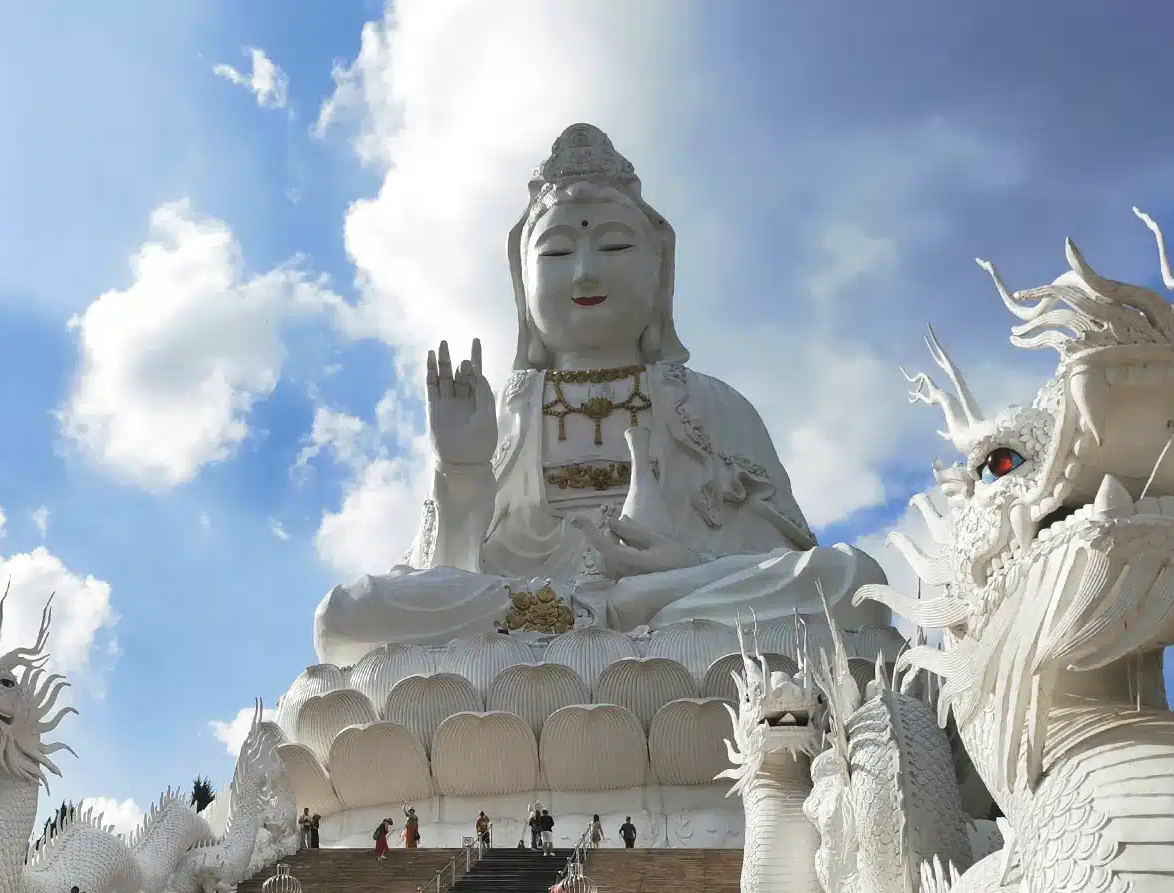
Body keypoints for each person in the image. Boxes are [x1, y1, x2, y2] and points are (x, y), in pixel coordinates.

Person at [311, 123, 895, 667]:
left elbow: (771, 555)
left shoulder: (710, 403)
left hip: (670, 604)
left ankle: (616, 610)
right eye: (558, 253)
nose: (585, 274)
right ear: (524, 281)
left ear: (659, 271)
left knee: (848, 578)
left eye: (614, 248)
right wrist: (461, 471)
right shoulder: (511, 408)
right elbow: (447, 572)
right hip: (524, 616)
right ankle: (600, 616)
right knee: (346, 615)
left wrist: (683, 567)